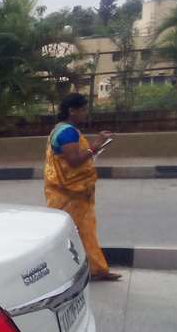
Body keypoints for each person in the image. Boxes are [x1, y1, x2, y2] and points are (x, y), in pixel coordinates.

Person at [44, 93, 121, 281]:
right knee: (66, 234)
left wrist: (96, 147)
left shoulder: (64, 130)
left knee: (84, 231)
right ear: (72, 111)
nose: (85, 113)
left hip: (72, 194)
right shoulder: (67, 132)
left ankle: (96, 269)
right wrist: (95, 146)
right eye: (83, 109)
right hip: (68, 194)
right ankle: (55, 271)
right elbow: (74, 161)